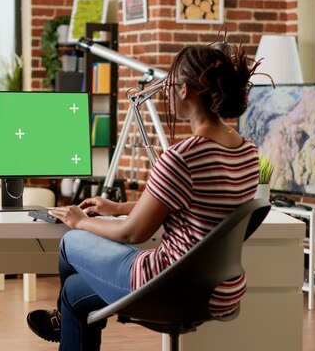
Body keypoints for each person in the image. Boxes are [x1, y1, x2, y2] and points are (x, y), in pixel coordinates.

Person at [27, 43, 263, 350]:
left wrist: (80, 221)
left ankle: (60, 314)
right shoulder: (247, 151)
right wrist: (119, 206)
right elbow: (196, 204)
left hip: (167, 286)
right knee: (74, 292)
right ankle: (63, 313)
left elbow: (132, 232)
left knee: (70, 242)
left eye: (168, 84)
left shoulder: (182, 156)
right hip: (220, 289)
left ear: (184, 91)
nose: (164, 91)